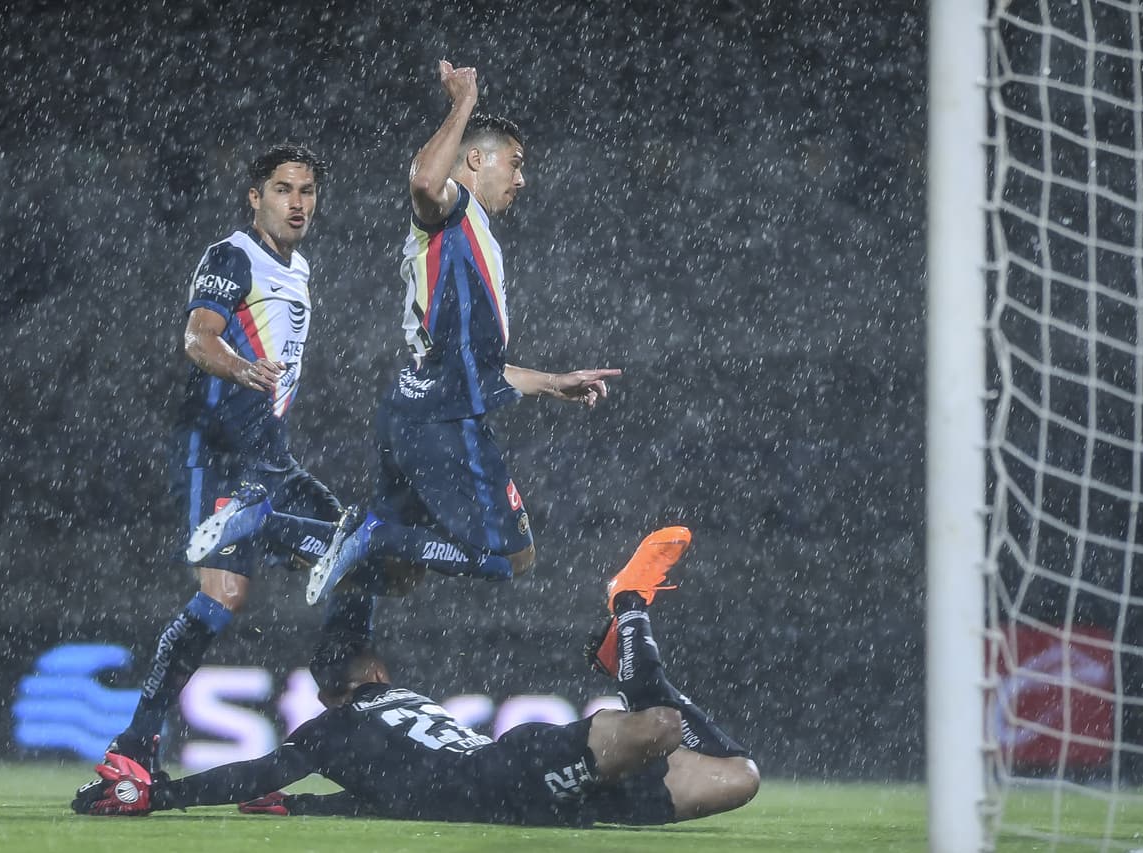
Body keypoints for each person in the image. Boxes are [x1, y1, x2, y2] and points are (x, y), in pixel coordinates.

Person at [186, 60, 622, 664]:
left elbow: (478, 367)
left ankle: (268, 526)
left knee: (399, 575)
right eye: (514, 164)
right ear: (476, 160)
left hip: (414, 411)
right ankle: (362, 538)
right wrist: (462, 104)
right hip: (443, 423)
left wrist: (553, 383)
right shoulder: (452, 206)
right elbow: (422, 180)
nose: (522, 179)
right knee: (508, 559)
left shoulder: (475, 236)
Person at [72, 527, 761, 826]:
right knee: (739, 774)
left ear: (330, 691)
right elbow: (404, 792)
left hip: (513, 781)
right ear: (377, 669)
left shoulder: (330, 730)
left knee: (662, 727)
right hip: (520, 782)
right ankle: (621, 652)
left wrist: (157, 796)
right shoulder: (395, 703)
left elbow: (254, 774)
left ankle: (630, 601)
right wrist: (310, 807)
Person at [105, 144, 345, 771]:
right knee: (223, 596)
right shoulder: (231, 255)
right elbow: (198, 337)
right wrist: (243, 370)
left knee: (352, 550)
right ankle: (134, 747)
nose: (297, 203)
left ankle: (347, 739)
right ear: (255, 196)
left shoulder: (300, 267)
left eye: (307, 191)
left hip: (269, 457)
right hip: (216, 447)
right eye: (283, 190)